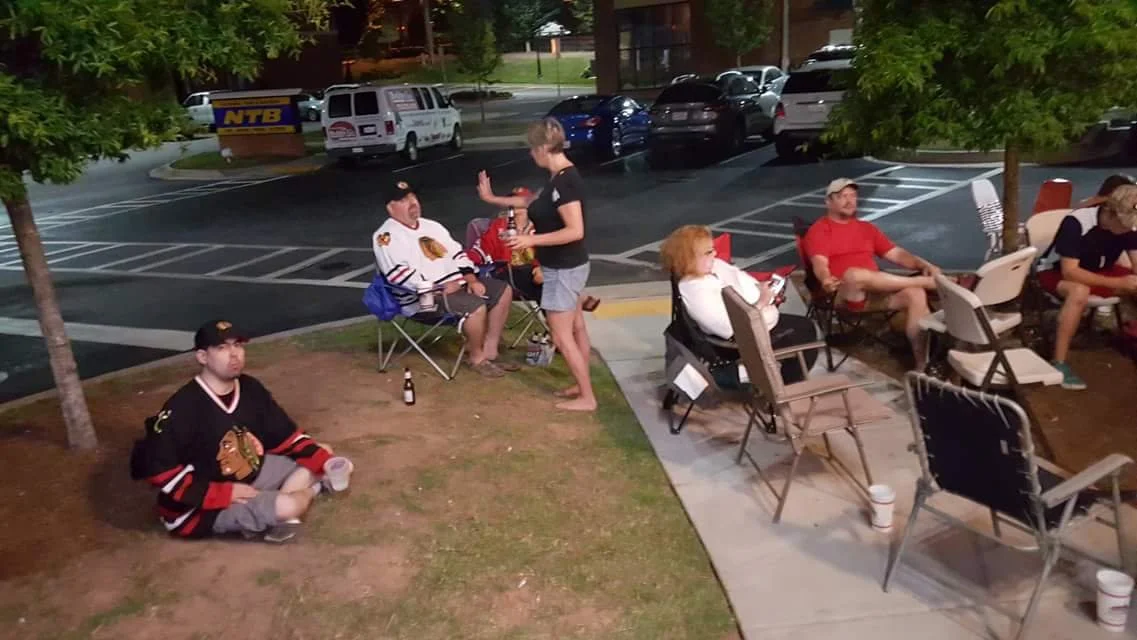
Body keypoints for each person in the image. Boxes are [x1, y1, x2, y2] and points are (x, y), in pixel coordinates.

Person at [129, 320, 338, 543]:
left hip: (251, 473)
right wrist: (226, 494)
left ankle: (270, 508)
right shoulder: (182, 407)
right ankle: (309, 492)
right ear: (202, 357)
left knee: (322, 452)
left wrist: (324, 461)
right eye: (222, 348)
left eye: (237, 345)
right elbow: (162, 473)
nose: (234, 354)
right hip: (198, 507)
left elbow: (286, 436)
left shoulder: (250, 387)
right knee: (288, 506)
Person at [476, 118, 596, 411]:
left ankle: (587, 397)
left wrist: (531, 240)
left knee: (561, 335)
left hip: (563, 268)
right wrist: (493, 198)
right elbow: (532, 203)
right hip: (565, 265)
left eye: (532, 149)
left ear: (543, 148)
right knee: (575, 328)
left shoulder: (565, 182)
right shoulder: (558, 177)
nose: (531, 154)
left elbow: (575, 230)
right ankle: (581, 386)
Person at [373, 179, 516, 378]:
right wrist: (438, 287)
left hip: (457, 285)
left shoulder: (432, 226)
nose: (412, 203)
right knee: (475, 306)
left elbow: (458, 254)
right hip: (424, 299)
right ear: (391, 208)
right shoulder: (386, 236)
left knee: (502, 291)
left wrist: (471, 279)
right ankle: (477, 358)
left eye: (413, 197)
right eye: (404, 200)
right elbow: (399, 276)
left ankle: (490, 350)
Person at [803, 177, 941, 371]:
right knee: (854, 275)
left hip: (875, 294)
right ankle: (927, 282)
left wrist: (924, 264)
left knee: (916, 294)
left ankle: (923, 366)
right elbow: (820, 264)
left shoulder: (867, 229)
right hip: (843, 294)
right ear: (828, 202)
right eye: (842, 196)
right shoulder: (819, 231)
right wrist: (825, 278)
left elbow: (897, 254)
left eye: (853, 196)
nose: (849, 201)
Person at [661, 225, 818, 383]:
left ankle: (782, 383)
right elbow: (728, 328)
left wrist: (760, 288)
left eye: (713, 249)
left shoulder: (712, 269)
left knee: (804, 326)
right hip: (741, 339)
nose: (714, 254)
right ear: (689, 259)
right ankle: (784, 387)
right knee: (804, 332)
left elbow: (740, 280)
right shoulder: (695, 290)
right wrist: (762, 302)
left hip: (757, 321)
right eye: (708, 252)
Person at [1038, 182, 1137, 390]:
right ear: (1110, 213)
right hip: (1056, 271)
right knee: (1079, 292)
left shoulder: (1127, 227)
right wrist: (1119, 283)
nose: (1128, 230)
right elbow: (1070, 272)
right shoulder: (1076, 223)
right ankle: (1059, 362)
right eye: (1125, 225)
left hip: (1100, 269)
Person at [466, 186, 545, 302]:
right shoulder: (499, 226)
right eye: (512, 200)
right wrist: (463, 262)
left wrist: (543, 268)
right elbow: (480, 251)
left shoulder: (541, 226)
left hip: (538, 272)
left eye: (519, 201)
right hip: (508, 273)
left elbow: (553, 252)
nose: (514, 204)